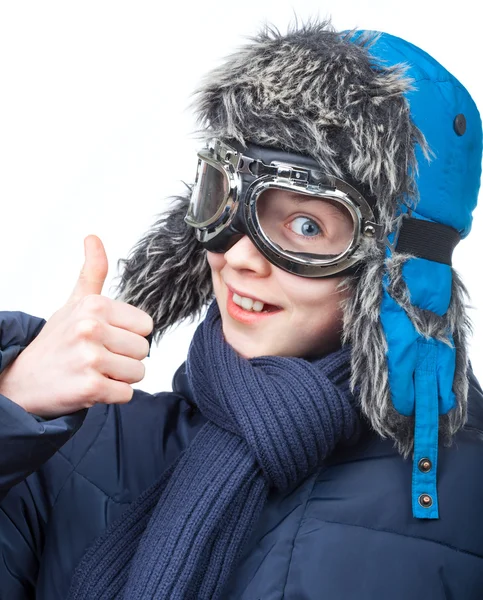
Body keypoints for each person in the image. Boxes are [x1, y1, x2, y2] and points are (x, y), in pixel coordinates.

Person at [1, 20, 482, 600]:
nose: (240, 255)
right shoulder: (82, 441)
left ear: (400, 272)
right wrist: (13, 407)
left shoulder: (469, 496)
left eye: (307, 224)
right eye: (228, 201)